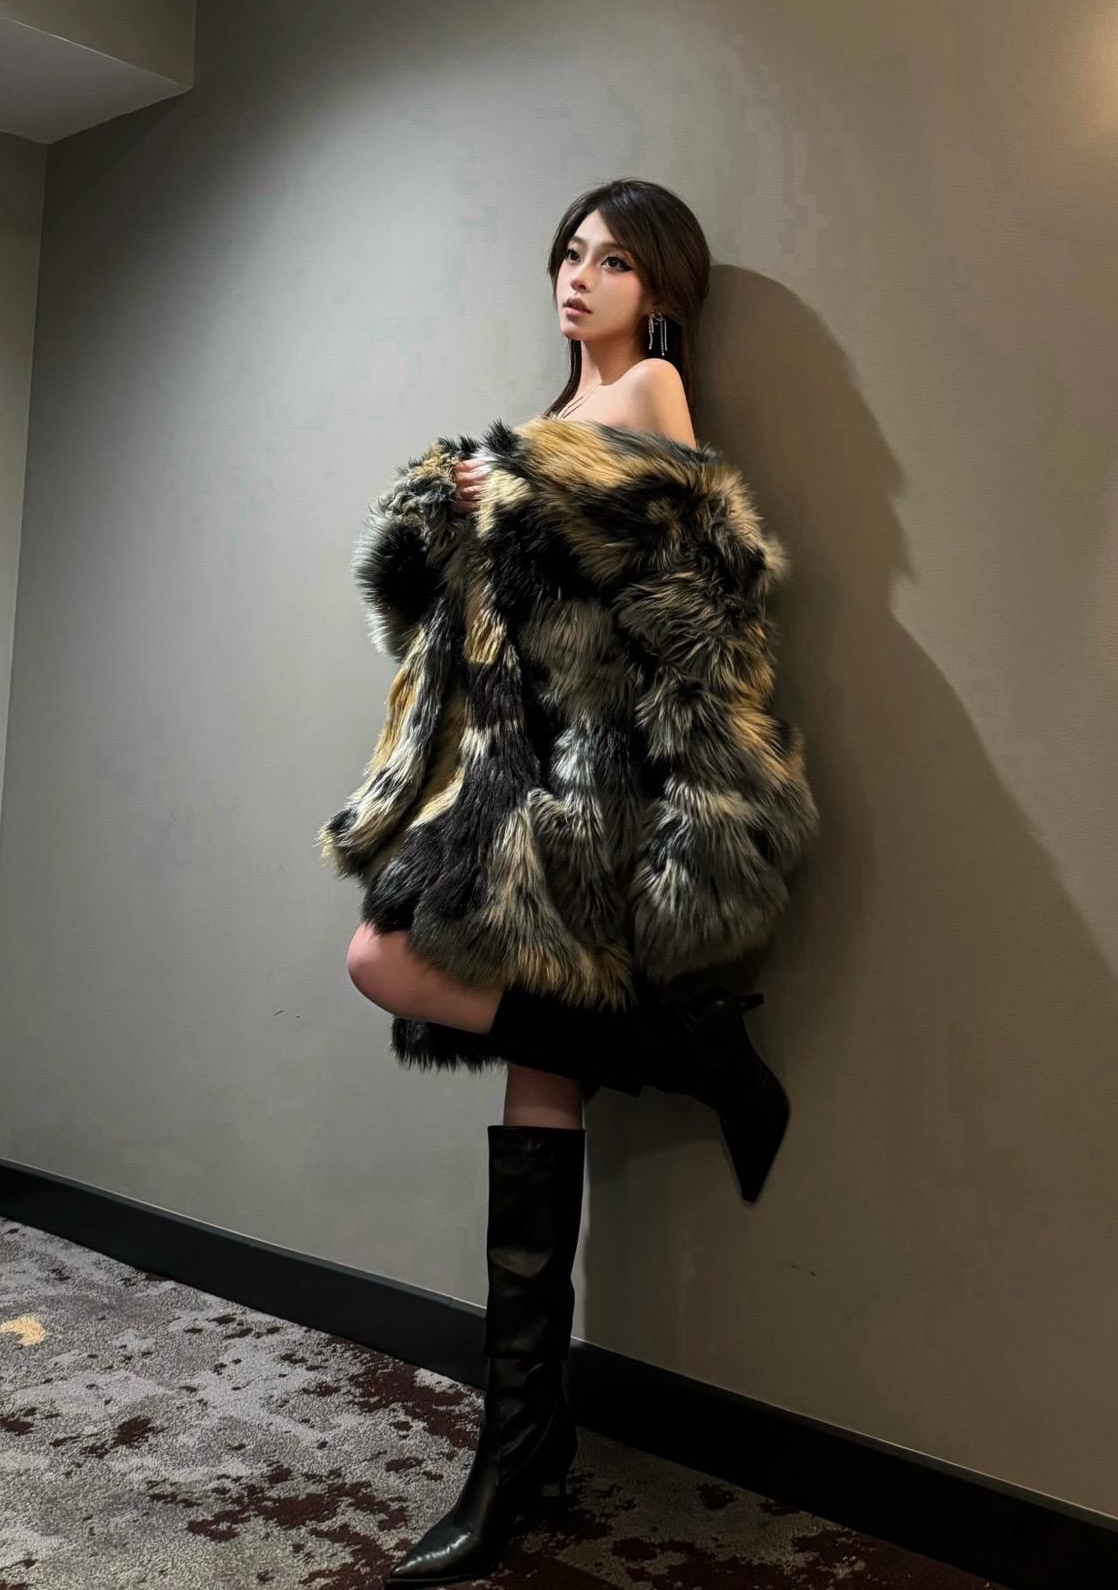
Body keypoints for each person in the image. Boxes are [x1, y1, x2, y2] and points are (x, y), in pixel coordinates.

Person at [335, 179, 816, 1585]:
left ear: (659, 289)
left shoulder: (651, 388)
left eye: (611, 259)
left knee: (383, 959)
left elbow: (679, 576)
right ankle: (523, 1443)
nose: (579, 275)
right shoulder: (558, 417)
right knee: (539, 1100)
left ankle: (689, 1056)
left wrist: (514, 490)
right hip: (522, 771)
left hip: (590, 789)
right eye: (569, 252)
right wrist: (462, 508)